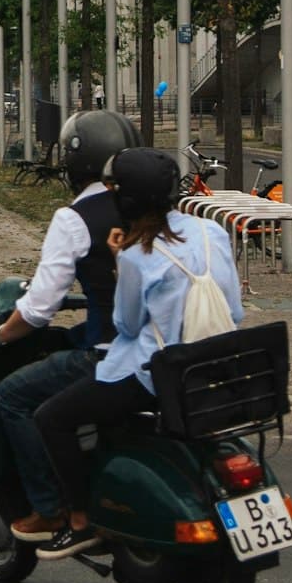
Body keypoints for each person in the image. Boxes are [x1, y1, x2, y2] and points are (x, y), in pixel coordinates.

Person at [33, 146, 244, 560]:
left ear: (125, 201)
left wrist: (119, 262)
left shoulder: (135, 255)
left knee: (52, 417)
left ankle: (79, 521)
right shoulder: (212, 232)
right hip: (212, 367)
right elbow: (234, 310)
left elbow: (127, 326)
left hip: (152, 375)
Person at [0, 109, 140, 542]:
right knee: (68, 342)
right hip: (162, 348)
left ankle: (49, 508)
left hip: (113, 353)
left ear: (72, 161)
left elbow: (39, 309)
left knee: (12, 396)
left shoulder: (74, 219)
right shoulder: (148, 207)